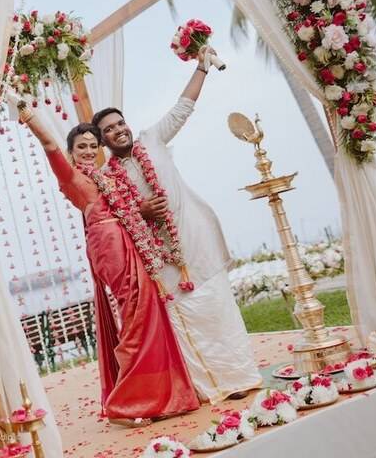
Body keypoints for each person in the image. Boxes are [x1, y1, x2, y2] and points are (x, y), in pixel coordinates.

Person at [92, 46, 263, 404]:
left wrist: (202, 69)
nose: (119, 131)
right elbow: (114, 226)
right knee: (186, 319)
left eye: (120, 123)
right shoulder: (107, 178)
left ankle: (241, 376)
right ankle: (210, 388)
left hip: (195, 241)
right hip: (161, 260)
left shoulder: (152, 139)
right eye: (109, 130)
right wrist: (140, 212)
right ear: (103, 141)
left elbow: (183, 107)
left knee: (217, 309)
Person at [13, 97, 200, 425]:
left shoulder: (105, 178)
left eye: (92, 146)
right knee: (136, 317)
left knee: (148, 312)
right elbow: (47, 142)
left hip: (125, 241)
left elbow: (132, 208)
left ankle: (155, 396)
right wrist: (26, 112)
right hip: (108, 246)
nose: (87, 151)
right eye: (81, 147)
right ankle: (125, 404)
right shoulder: (70, 177)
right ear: (71, 151)